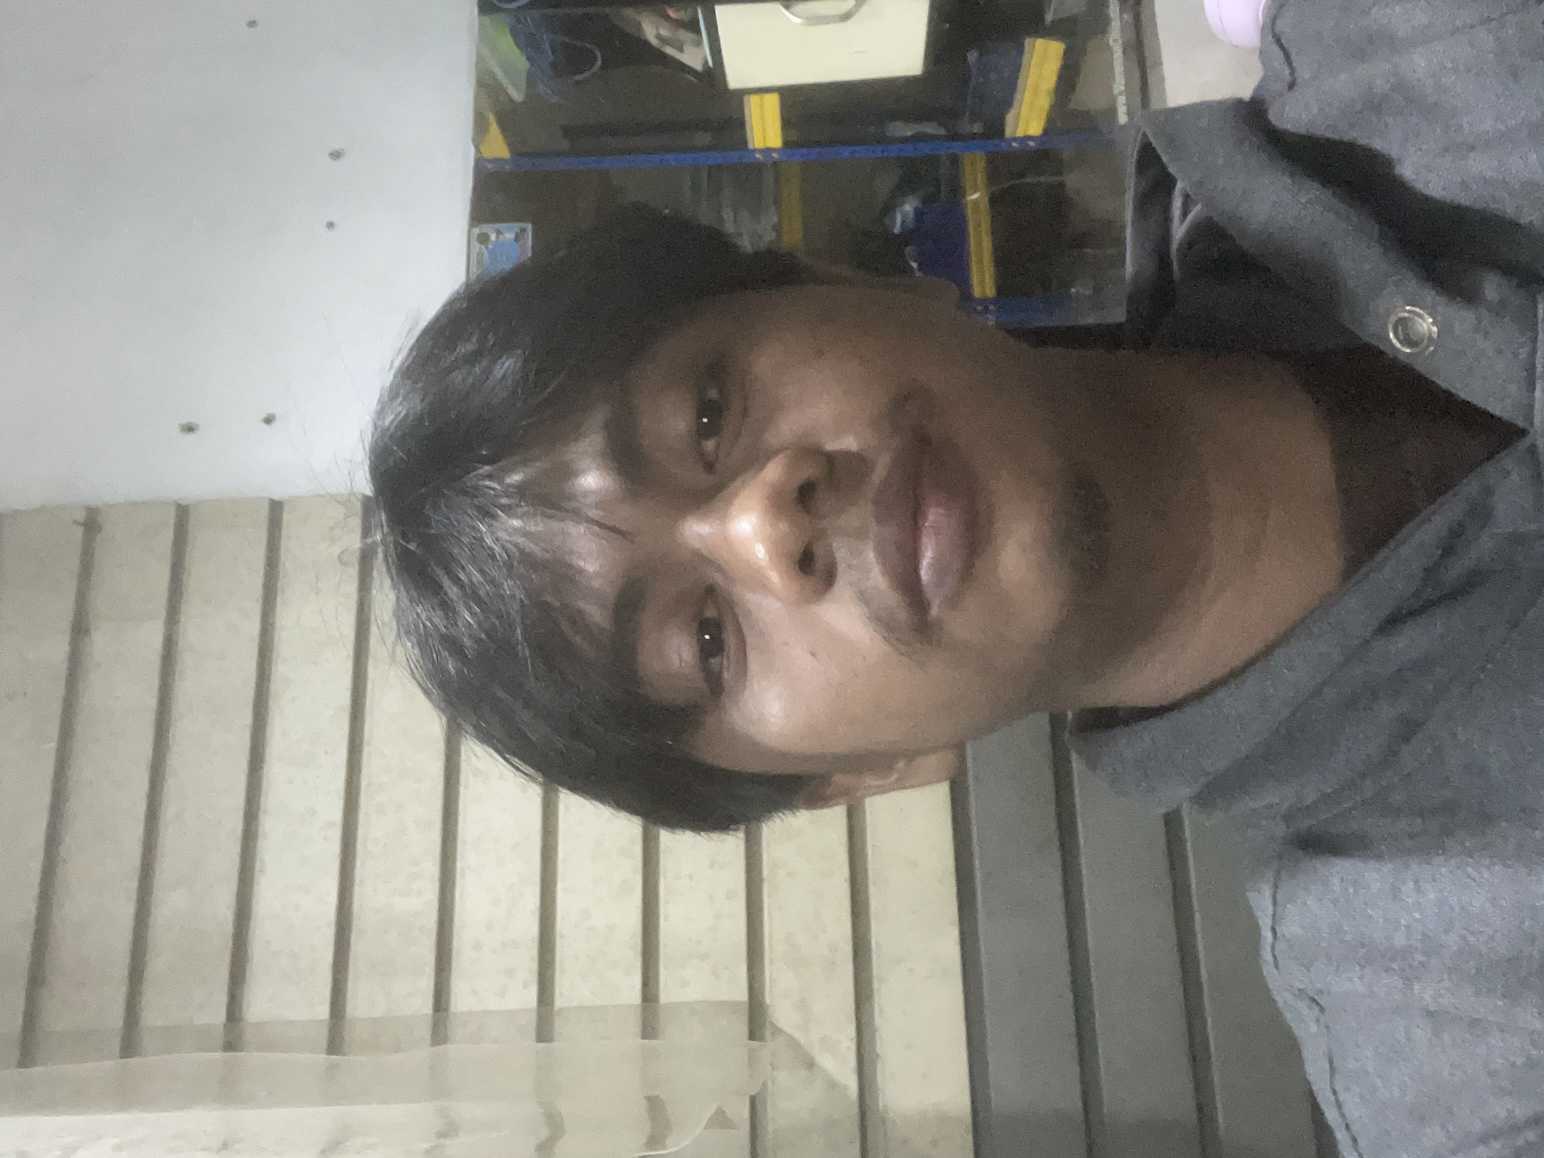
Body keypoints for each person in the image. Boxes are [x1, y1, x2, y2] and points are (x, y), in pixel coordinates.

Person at [369, 1, 1543, 1154]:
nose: (762, 525)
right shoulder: (1463, 1045)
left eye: (708, 412)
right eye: (707, 644)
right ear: (845, 778)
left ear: (849, 277)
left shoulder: (1422, 39)